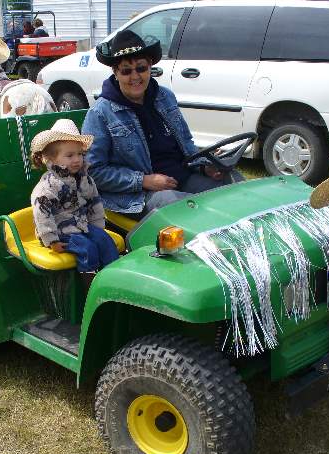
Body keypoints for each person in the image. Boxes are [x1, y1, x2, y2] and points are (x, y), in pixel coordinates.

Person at [81, 30, 228, 217]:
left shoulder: (165, 97)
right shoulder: (101, 113)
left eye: (141, 68)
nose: (135, 77)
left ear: (150, 66)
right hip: (138, 196)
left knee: (231, 185)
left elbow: (187, 144)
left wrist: (204, 166)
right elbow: (93, 172)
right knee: (191, 210)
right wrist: (144, 181)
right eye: (126, 70)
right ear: (115, 73)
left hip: (181, 177)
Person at [30, 119, 119, 274]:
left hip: (82, 225)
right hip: (59, 230)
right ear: (51, 159)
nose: (77, 159)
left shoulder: (85, 179)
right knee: (87, 249)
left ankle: (112, 276)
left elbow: (94, 203)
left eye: (80, 154)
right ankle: (90, 284)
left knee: (105, 241)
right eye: (70, 155)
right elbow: (41, 214)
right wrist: (52, 241)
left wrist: (97, 229)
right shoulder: (48, 186)